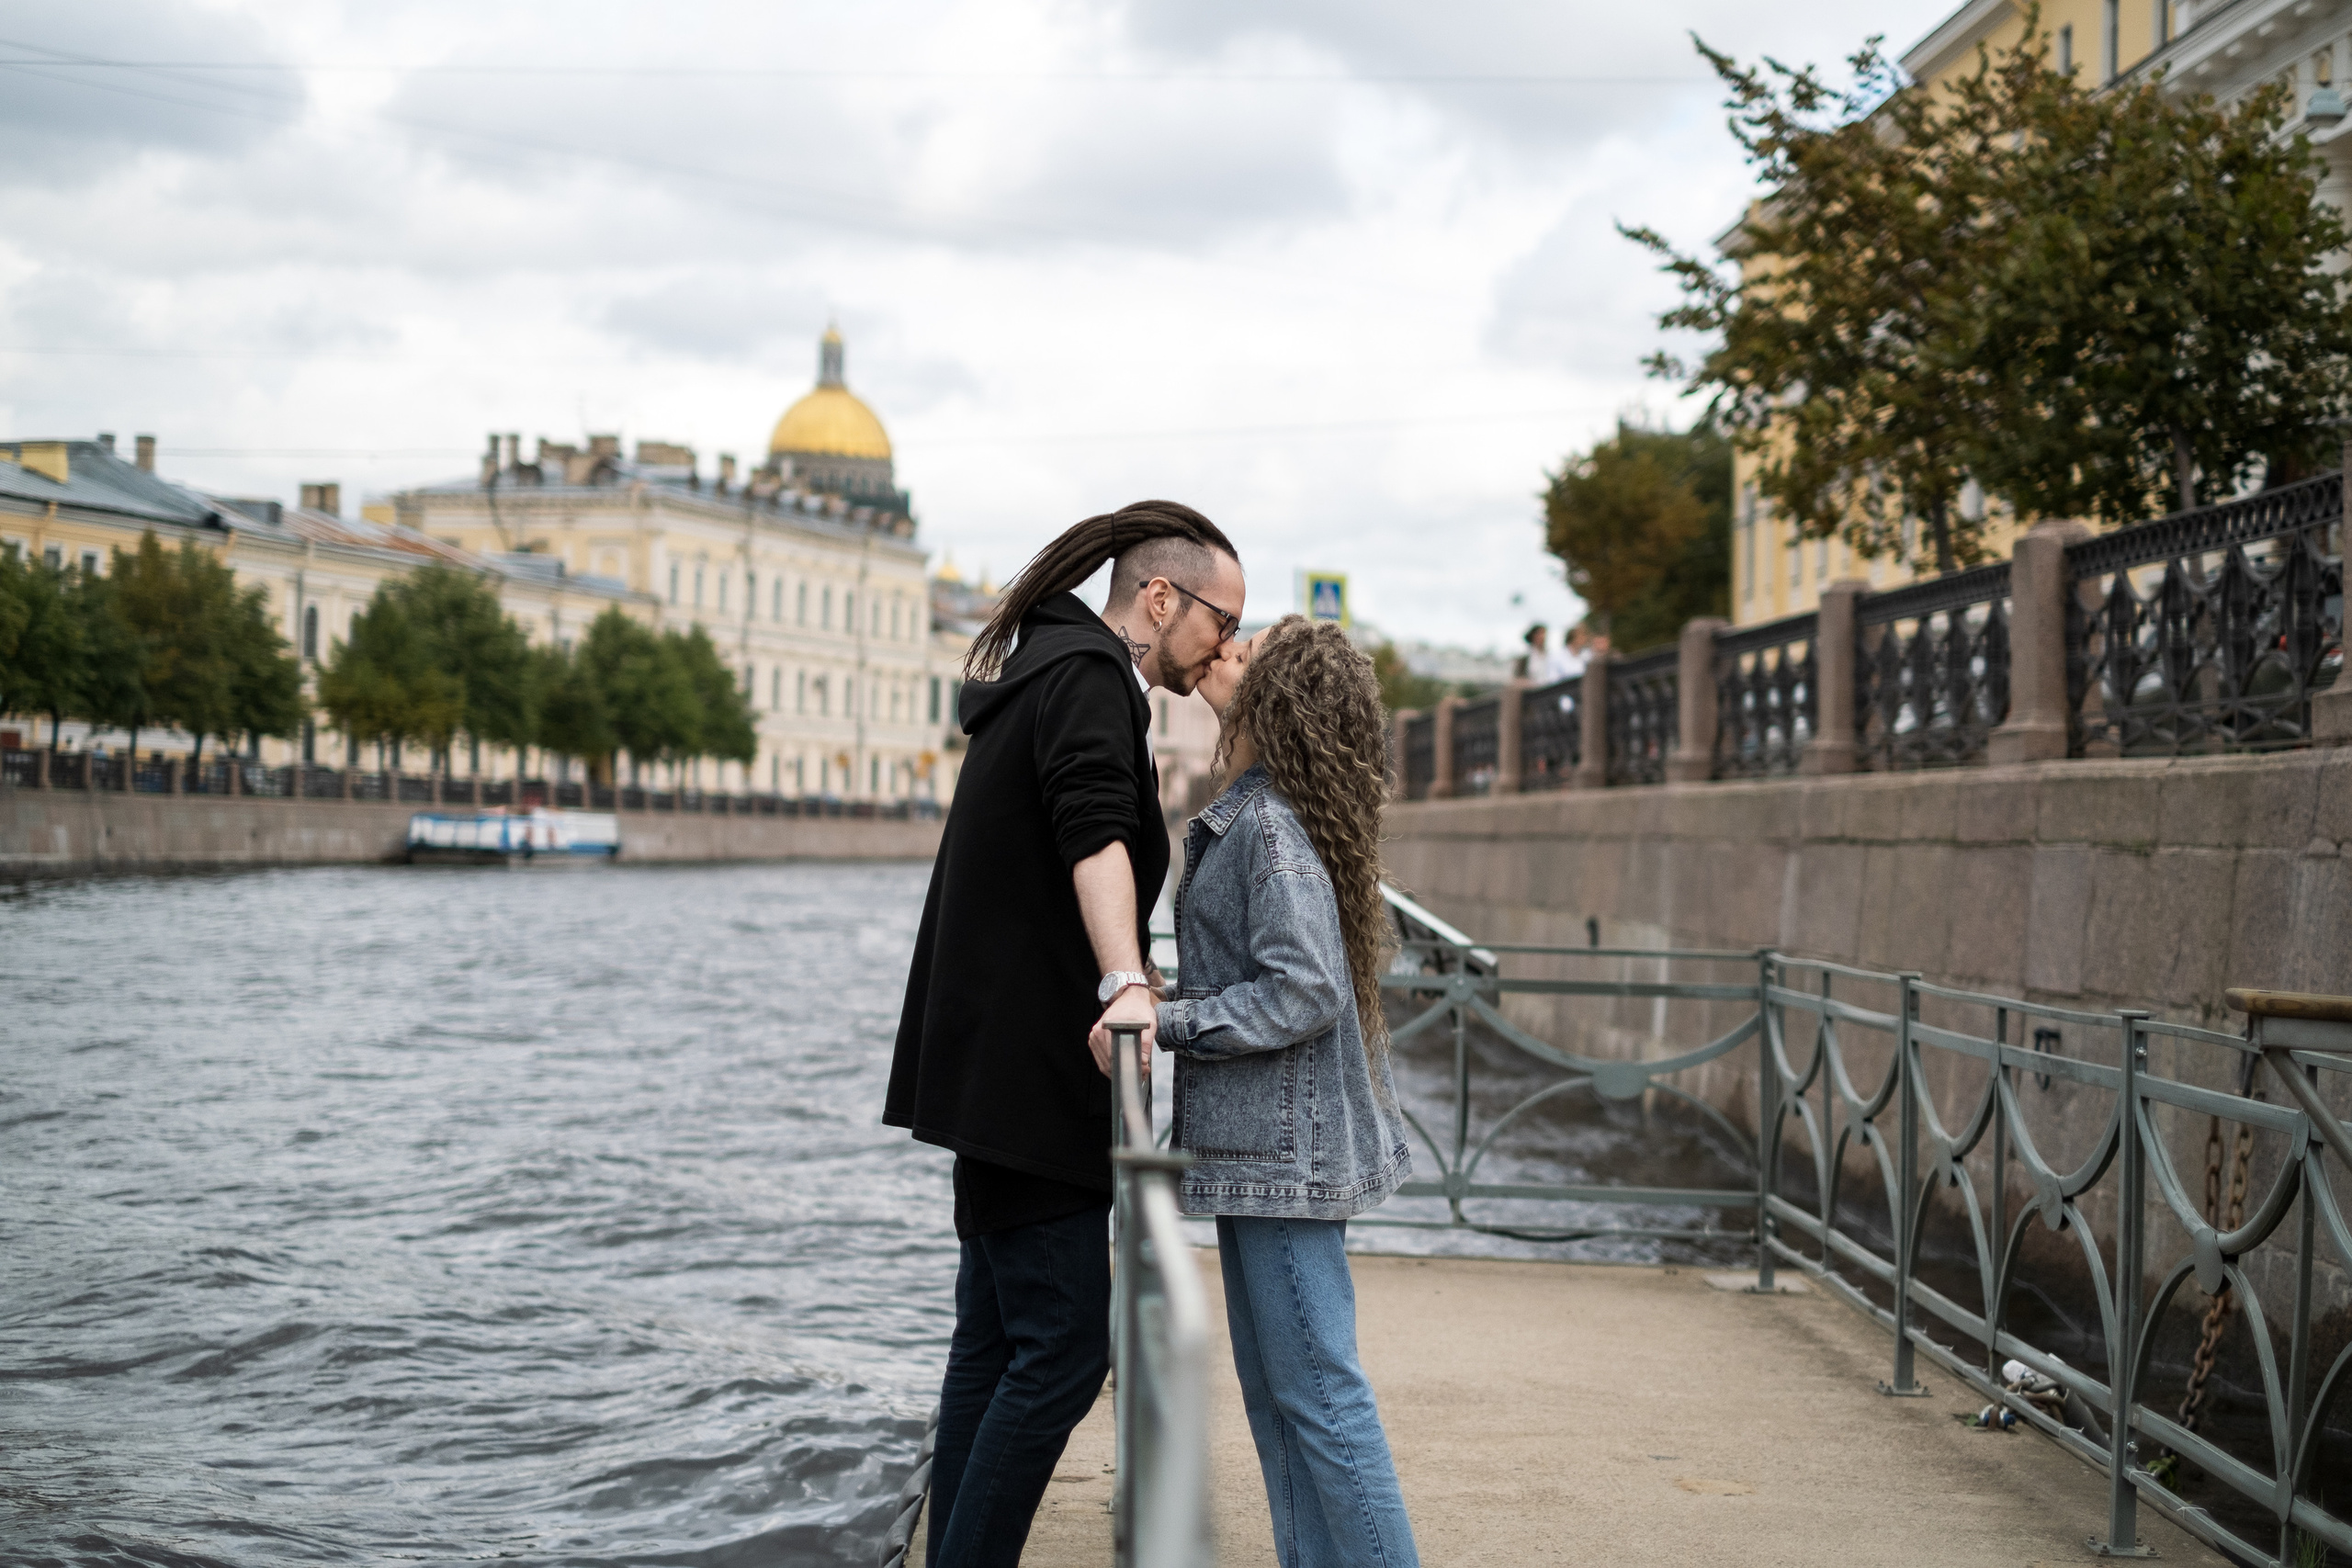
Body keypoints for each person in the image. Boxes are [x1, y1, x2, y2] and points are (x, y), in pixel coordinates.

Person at [885, 499, 1246, 1568]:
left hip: (989, 1060)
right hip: (1034, 1072)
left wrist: (1126, 969)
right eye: (1222, 620)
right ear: (1160, 598)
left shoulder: (1047, 666)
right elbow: (1095, 834)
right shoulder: (1089, 678)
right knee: (1063, 1349)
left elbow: (1066, 845)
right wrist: (1127, 979)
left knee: (994, 1339)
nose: (1223, 643)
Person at [1161, 615, 1420, 1568]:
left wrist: (1171, 1021)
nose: (1224, 652)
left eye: (1246, 652)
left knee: (1321, 1399)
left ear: (1280, 701)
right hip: (1265, 1152)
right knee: (1283, 1400)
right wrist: (1172, 997)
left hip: (1283, 1159)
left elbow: (1305, 989)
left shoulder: (1268, 827)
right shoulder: (1266, 813)